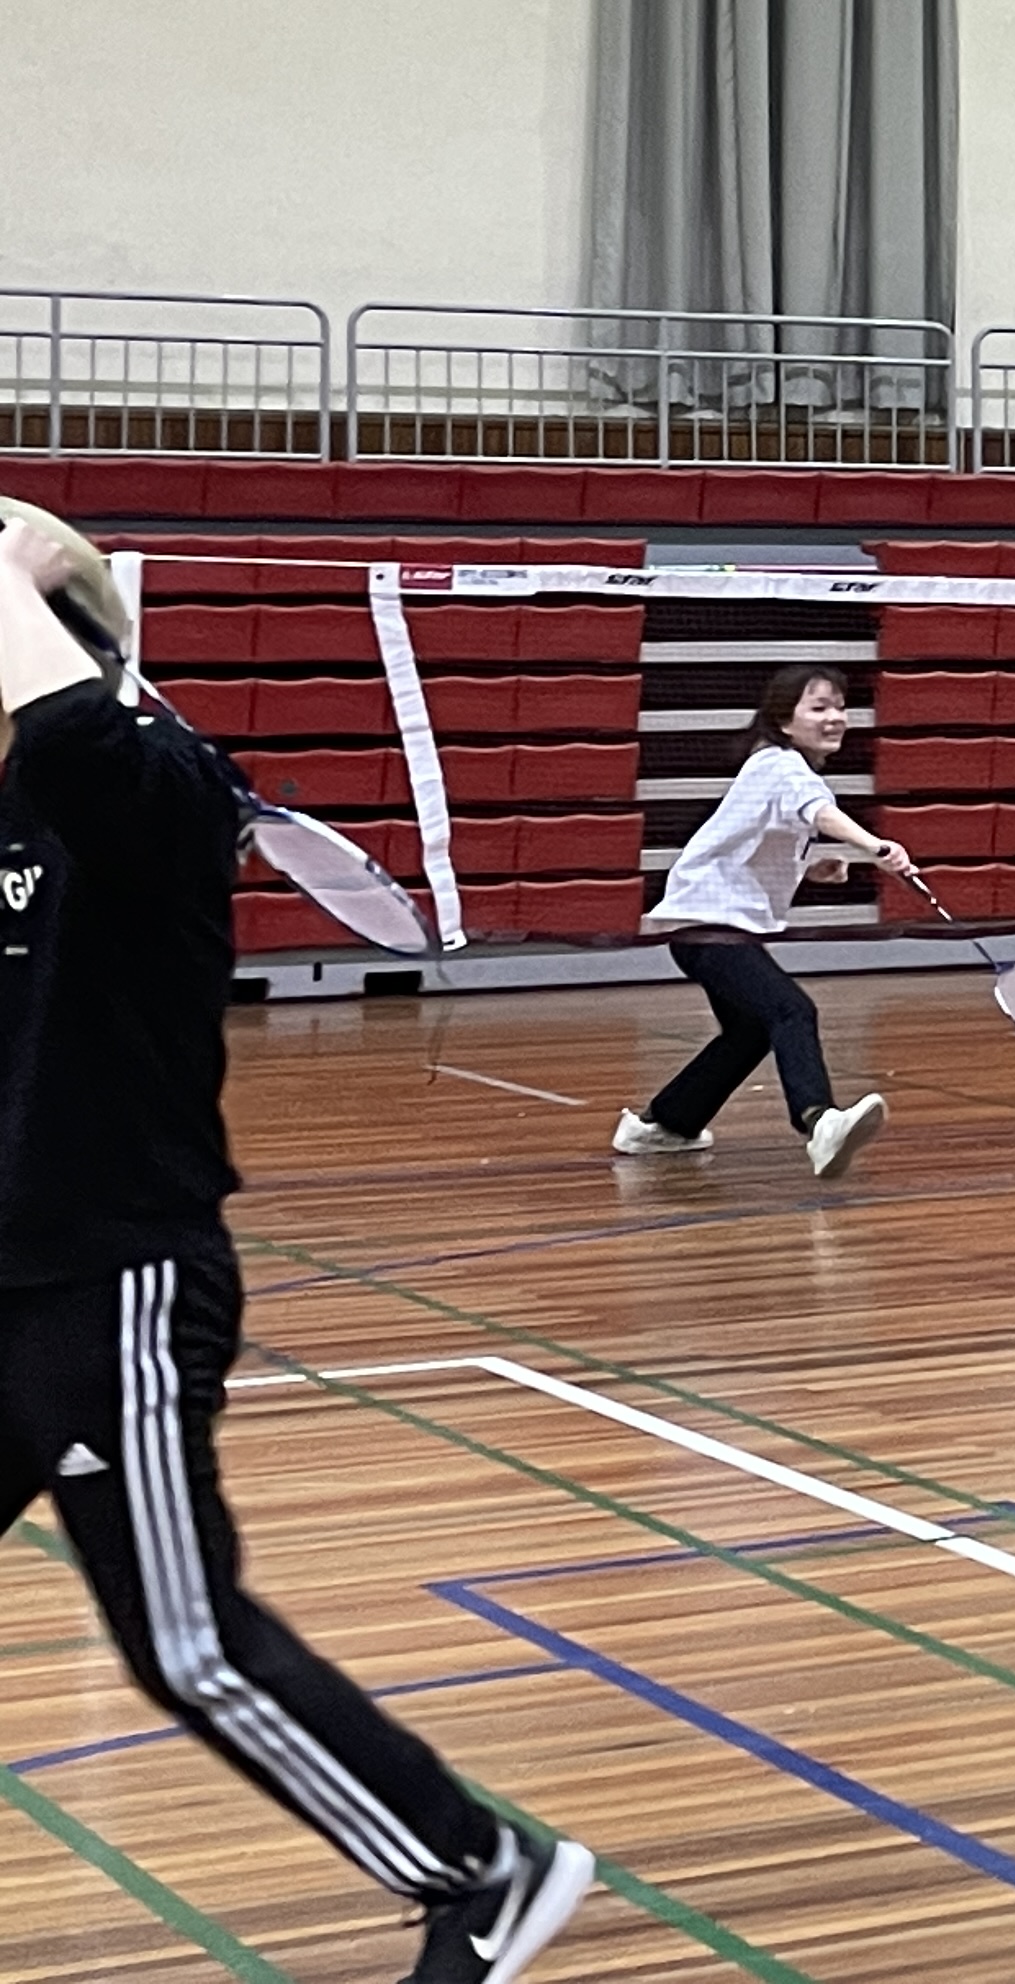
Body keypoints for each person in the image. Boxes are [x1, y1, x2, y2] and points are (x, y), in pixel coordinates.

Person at [0, 503, 596, 1980]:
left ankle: (481, 1868)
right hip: (8, 1279)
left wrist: (13, 570)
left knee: (186, 1645)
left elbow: (76, 734)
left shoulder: (163, 788)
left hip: (114, 1289)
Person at [615, 665, 906, 1178]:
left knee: (749, 1031)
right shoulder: (783, 766)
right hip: (711, 929)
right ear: (784, 719)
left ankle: (667, 1124)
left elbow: (745, 841)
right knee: (792, 1010)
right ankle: (819, 1122)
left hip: (706, 929)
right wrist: (875, 846)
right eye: (819, 707)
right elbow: (819, 812)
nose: (835, 718)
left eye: (840, 707)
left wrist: (809, 867)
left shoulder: (771, 766)